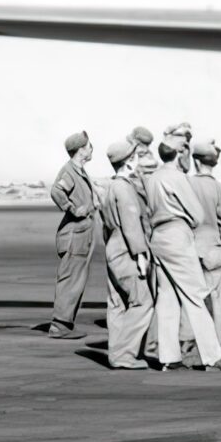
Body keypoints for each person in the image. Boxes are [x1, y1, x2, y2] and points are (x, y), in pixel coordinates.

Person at [143, 137, 221, 371]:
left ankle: (169, 357)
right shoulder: (178, 178)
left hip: (158, 237)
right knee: (196, 294)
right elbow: (197, 214)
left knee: (166, 297)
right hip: (177, 234)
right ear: (179, 153)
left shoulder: (152, 178)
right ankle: (212, 355)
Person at [99, 140, 155, 369]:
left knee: (117, 304)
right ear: (130, 161)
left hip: (112, 248)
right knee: (143, 302)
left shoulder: (109, 187)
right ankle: (124, 355)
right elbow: (132, 224)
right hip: (126, 251)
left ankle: (116, 352)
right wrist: (141, 255)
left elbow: (105, 225)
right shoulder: (125, 188)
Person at [45, 131, 98, 339]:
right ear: (82, 149)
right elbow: (56, 192)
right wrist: (73, 209)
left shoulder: (79, 171)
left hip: (81, 235)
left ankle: (65, 323)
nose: (92, 149)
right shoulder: (69, 171)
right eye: (90, 146)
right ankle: (60, 326)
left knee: (77, 280)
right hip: (74, 235)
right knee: (70, 279)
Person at [188, 140, 221, 339]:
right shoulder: (219, 188)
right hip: (214, 248)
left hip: (192, 246)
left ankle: (194, 341)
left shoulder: (187, 184)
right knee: (217, 298)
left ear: (196, 161)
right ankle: (215, 344)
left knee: (193, 297)